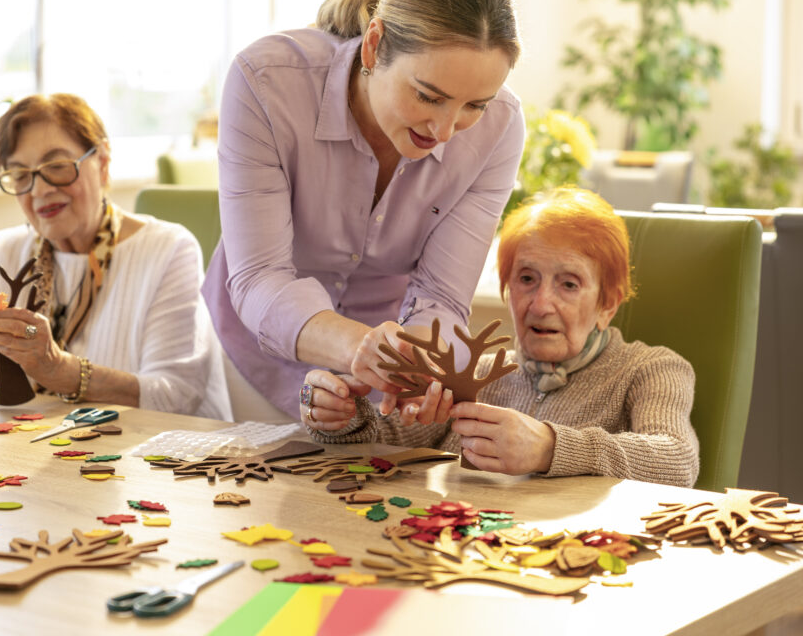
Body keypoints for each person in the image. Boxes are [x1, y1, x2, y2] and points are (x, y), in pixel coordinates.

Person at [202, 0, 525, 420]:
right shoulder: (266, 81)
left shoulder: (501, 129)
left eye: (475, 105)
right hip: (247, 361)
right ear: (374, 46)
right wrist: (358, 347)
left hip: (376, 382)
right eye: (428, 96)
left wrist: (418, 367)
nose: (445, 130)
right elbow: (260, 276)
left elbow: (441, 297)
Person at [299, 186, 700, 488]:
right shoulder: (478, 372)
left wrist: (549, 447)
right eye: (526, 279)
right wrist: (341, 415)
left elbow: (678, 460)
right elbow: (387, 437)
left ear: (607, 303)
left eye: (569, 284)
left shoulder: (651, 368)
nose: (541, 304)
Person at [0, 93, 231, 421]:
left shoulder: (168, 250)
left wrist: (58, 369)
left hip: (171, 454)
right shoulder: (11, 253)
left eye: (57, 166)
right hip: (55, 452)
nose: (40, 189)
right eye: (20, 175)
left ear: (102, 162)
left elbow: (176, 395)